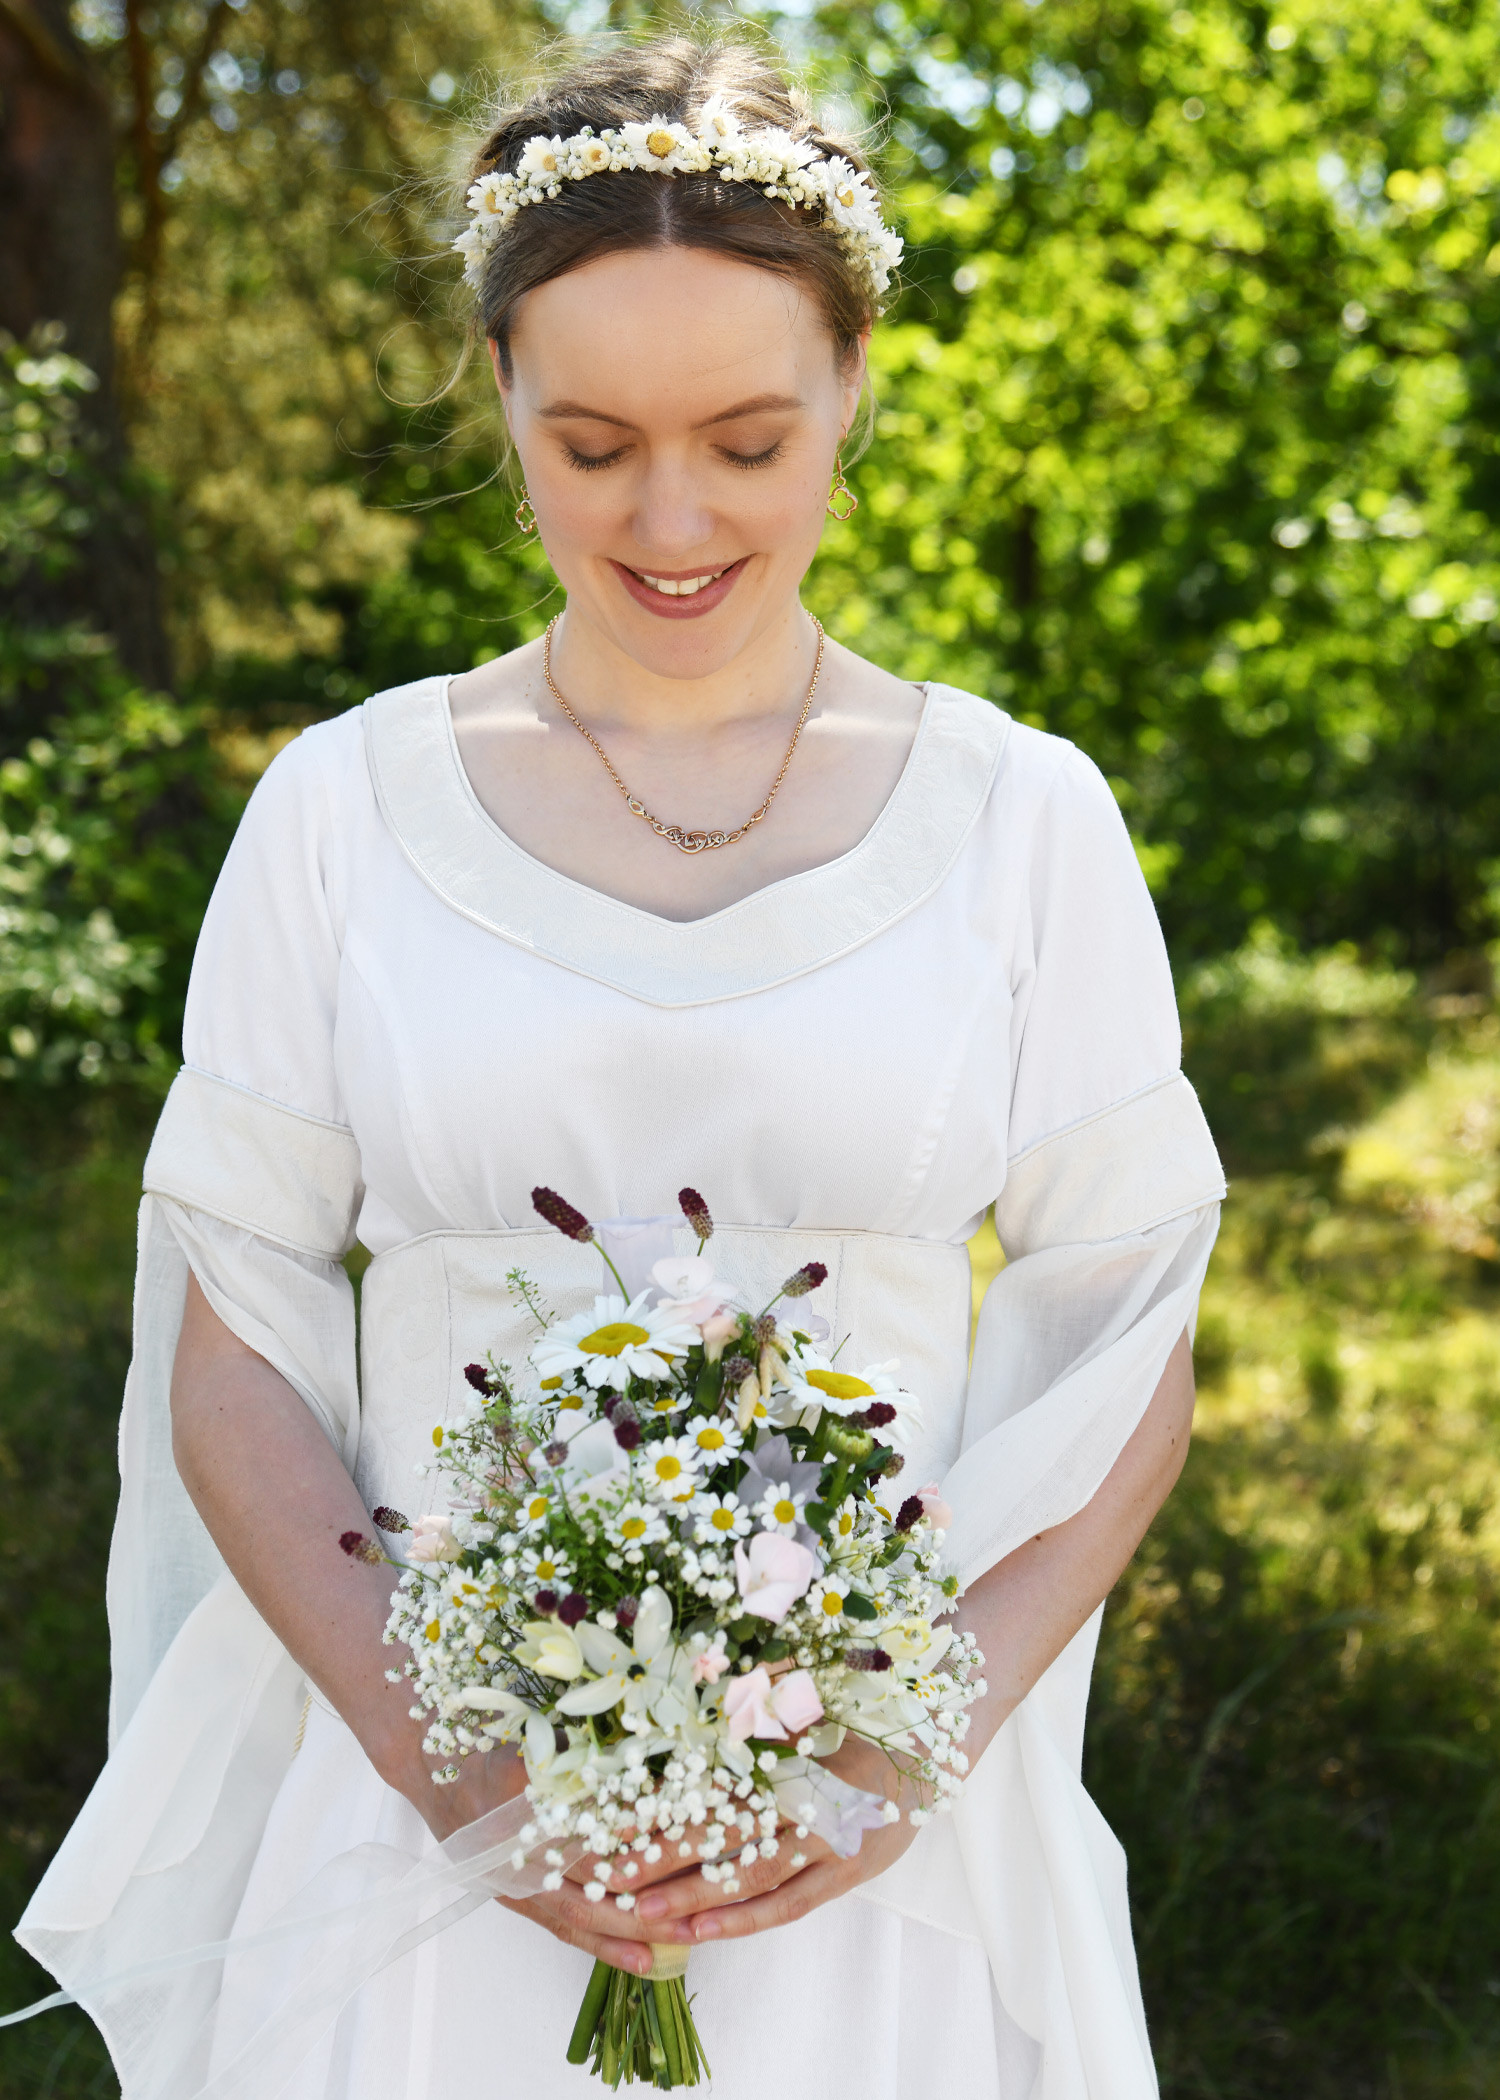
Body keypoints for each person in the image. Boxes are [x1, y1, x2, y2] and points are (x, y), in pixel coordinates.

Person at [15, 33, 1225, 2100]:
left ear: (856, 383)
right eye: (592, 442)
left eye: (750, 439)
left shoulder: (1028, 823)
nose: (673, 519)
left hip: (880, 1890)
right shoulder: (338, 811)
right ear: (497, 392)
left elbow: (1128, 1341)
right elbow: (236, 1333)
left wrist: (880, 1768)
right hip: (430, 1865)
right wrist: (466, 1771)